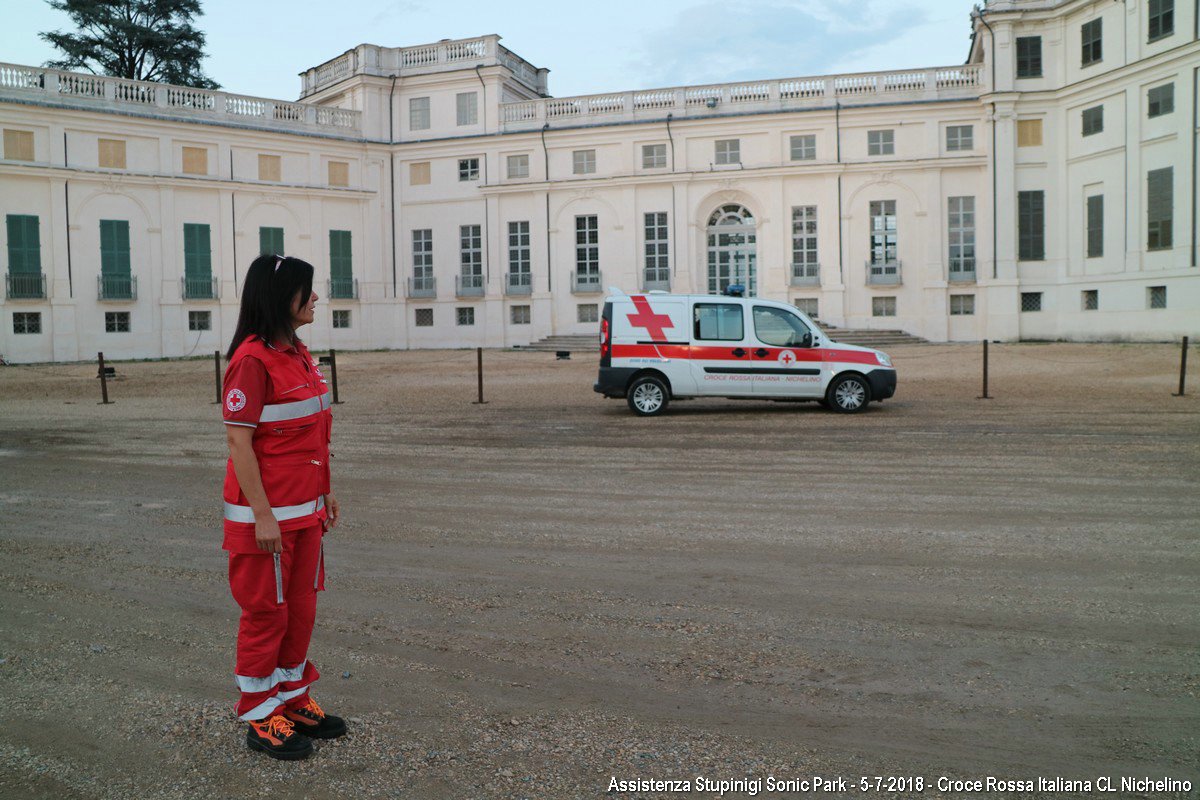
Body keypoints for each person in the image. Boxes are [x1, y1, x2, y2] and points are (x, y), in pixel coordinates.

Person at [221, 253, 347, 759]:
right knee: (265, 614)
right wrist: (263, 515)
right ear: (281, 298)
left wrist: (327, 492)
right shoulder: (251, 361)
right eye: (307, 290)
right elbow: (239, 444)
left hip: (307, 513)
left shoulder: (297, 353)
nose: (316, 297)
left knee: (300, 609)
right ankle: (259, 713)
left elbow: (313, 436)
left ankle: (292, 698)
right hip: (267, 520)